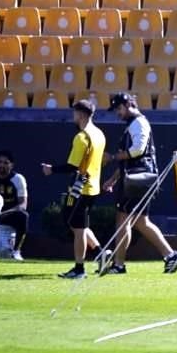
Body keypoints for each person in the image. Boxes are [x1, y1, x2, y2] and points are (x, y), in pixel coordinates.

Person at [100, 92, 177, 275]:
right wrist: (113, 179)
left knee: (124, 220)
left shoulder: (138, 123)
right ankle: (170, 256)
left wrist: (112, 157)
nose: (117, 113)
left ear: (128, 105)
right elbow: (130, 158)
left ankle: (119, 265)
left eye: (119, 108)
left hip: (137, 179)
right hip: (136, 177)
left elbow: (137, 150)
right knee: (139, 221)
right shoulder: (135, 123)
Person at [41, 99, 106, 279]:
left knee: (77, 227)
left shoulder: (82, 137)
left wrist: (51, 169)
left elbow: (72, 166)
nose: (73, 116)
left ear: (81, 114)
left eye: (74, 113)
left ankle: (79, 269)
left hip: (80, 188)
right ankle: (101, 253)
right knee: (77, 224)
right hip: (92, 186)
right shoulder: (100, 134)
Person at [0, 149, 28, 261]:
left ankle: (16, 251)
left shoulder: (17, 179)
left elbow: (23, 204)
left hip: (8, 214)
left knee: (23, 216)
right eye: (0, 162)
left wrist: (3, 213)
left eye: (6, 163)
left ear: (11, 165)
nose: (2, 165)